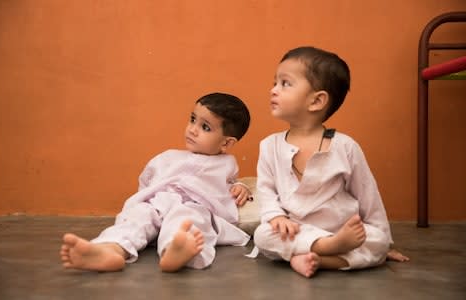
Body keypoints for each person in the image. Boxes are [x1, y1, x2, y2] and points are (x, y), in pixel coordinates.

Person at [253, 46, 409, 278]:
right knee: (263, 234)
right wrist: (276, 217)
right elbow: (265, 189)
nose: (273, 90)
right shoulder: (269, 145)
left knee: (375, 240)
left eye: (285, 83)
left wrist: (384, 240)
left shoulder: (345, 146)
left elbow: (368, 195)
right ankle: (326, 250)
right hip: (297, 230)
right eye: (274, 82)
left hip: (342, 229)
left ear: (317, 101)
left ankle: (315, 257)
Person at [60, 92, 252, 272]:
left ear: (226, 143)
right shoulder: (169, 156)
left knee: (186, 220)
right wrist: (146, 202)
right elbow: (147, 181)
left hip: (194, 205)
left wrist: (240, 187)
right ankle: (110, 249)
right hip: (159, 202)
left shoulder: (226, 163)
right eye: (193, 119)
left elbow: (228, 184)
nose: (192, 130)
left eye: (205, 127)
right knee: (138, 217)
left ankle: (175, 251)